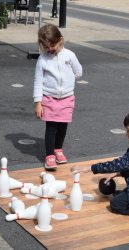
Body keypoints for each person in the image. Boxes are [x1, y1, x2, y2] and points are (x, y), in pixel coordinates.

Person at [33, 24, 82, 170]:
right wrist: (38, 102)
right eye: (46, 47)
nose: (50, 49)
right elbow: (38, 81)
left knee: (63, 126)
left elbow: (79, 72)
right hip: (49, 98)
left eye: (52, 45)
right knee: (51, 127)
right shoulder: (42, 60)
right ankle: (49, 155)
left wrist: (70, 79)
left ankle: (58, 149)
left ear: (60, 39)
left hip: (67, 97)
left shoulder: (70, 55)